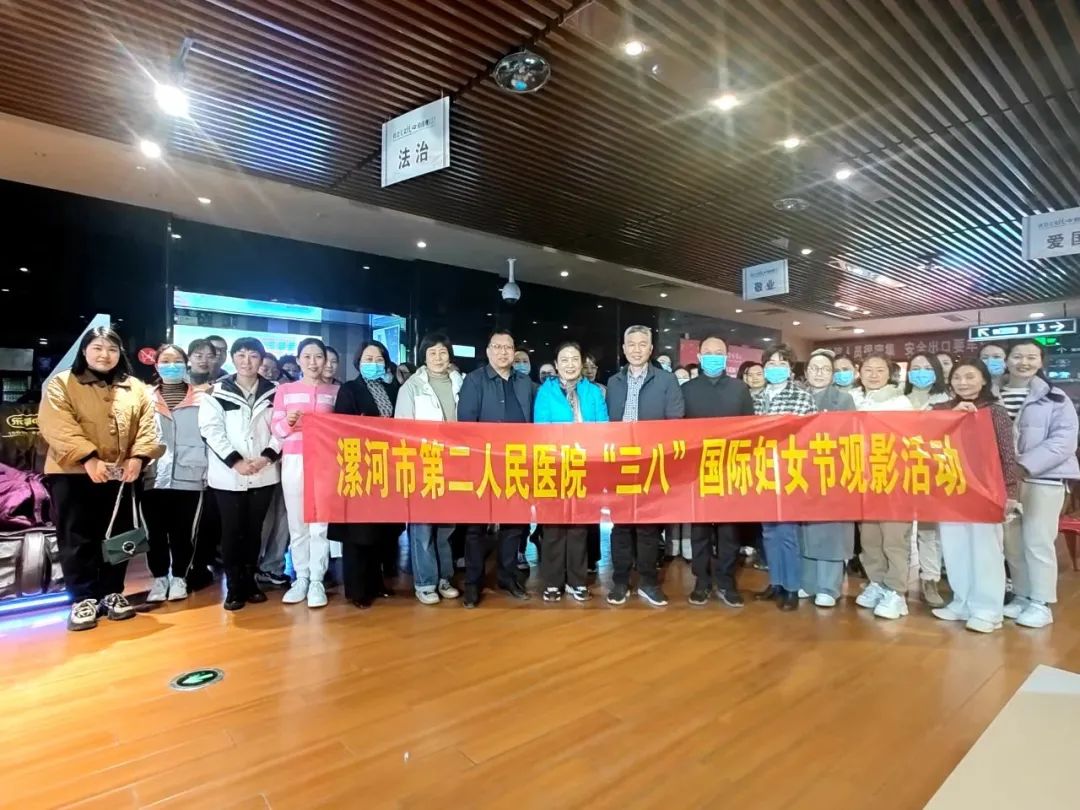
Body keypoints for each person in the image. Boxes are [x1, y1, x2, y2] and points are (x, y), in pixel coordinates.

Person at [39, 327, 163, 631]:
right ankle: (83, 598)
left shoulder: (135, 387)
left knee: (118, 536)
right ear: (84, 351)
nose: (104, 355)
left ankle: (112, 591)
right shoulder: (62, 383)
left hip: (121, 475)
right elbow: (57, 425)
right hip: (73, 473)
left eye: (111, 349)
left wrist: (138, 457)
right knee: (77, 536)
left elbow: (148, 426)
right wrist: (89, 459)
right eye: (97, 348)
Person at [931, 359, 1021, 633]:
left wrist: (1011, 492)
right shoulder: (941, 410)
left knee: (986, 550)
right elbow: (926, 442)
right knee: (955, 549)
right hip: (950, 489)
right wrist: (951, 417)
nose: (963, 382)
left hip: (986, 490)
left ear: (983, 380)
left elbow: (1007, 455)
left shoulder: (995, 412)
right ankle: (962, 601)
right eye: (957, 377)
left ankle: (988, 610)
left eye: (970, 376)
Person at [999, 339, 1080, 629]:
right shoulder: (993, 393)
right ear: (1006, 360)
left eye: (1031, 357)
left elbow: (1064, 440)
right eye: (1017, 356)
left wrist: (1023, 465)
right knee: (1012, 543)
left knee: (1038, 541)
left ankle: (1041, 603)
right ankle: (1022, 595)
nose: (1024, 362)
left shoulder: (1056, 397)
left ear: (1041, 361)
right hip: (1002, 481)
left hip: (1043, 478)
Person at [605, 325, 685, 607]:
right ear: (624, 349)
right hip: (620, 464)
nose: (636, 349)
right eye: (631, 344)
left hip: (652, 463)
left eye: (642, 344)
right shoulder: (614, 382)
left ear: (650, 349)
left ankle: (649, 582)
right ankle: (620, 581)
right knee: (621, 526)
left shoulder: (666, 381)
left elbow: (676, 420)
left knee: (649, 527)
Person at [200, 338, 281, 611]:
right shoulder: (216, 391)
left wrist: (266, 457)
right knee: (232, 531)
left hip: (264, 471)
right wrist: (235, 461)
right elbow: (211, 430)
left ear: (261, 359)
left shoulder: (275, 392)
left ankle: (250, 581)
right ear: (233, 358)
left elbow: (281, 429)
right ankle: (234, 586)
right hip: (228, 475)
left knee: (255, 530)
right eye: (241, 355)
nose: (247, 361)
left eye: (253, 356)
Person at [457, 329, 535, 608]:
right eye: (497, 347)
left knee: (514, 525)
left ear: (514, 352)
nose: (503, 352)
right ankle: (473, 583)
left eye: (508, 347)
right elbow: (466, 425)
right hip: (483, 464)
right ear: (488, 351)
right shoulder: (474, 381)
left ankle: (508, 576)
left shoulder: (525, 383)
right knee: (476, 527)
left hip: (517, 464)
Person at [681, 335, 755, 607]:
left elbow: (750, 430)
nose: (713, 357)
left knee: (728, 531)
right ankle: (701, 581)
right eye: (708, 353)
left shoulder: (740, 389)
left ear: (726, 357)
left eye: (718, 353)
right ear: (700, 357)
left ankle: (726, 581)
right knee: (699, 529)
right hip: (697, 469)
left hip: (730, 468)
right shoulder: (686, 390)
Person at [533, 341, 608, 602]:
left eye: (574, 359)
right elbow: (541, 428)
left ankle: (577, 581)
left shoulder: (594, 392)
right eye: (564, 359)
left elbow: (603, 427)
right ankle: (553, 581)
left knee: (579, 526)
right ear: (556, 365)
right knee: (553, 526)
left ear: (582, 363)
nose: (570, 364)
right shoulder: (545, 392)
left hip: (584, 466)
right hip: (553, 466)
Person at [330, 341, 402, 608]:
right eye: (368, 359)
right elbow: (343, 427)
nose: (374, 363)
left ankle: (376, 582)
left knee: (381, 530)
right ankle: (357, 590)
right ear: (358, 363)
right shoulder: (349, 390)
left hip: (388, 466)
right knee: (359, 532)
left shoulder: (393, 389)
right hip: (359, 466)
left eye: (379, 359)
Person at [394, 333, 462, 605]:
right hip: (424, 464)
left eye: (443, 352)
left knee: (447, 527)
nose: (438, 357)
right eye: (432, 353)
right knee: (422, 528)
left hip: (455, 464)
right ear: (424, 356)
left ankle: (445, 577)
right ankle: (425, 582)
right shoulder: (411, 387)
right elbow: (402, 429)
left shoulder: (461, 382)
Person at [272, 338, 339, 609]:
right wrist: (288, 423)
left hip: (325, 462)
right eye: (307, 356)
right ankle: (300, 577)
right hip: (295, 459)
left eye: (318, 356)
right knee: (297, 523)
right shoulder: (285, 390)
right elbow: (276, 429)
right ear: (298, 360)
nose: (313, 362)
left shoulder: (335, 392)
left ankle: (317, 581)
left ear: (325, 360)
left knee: (320, 524)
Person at [752, 345, 817, 611]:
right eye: (770, 363)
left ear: (790, 369)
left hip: (790, 470)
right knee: (768, 531)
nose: (775, 368)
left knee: (787, 532)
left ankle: (791, 587)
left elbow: (807, 435)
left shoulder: (802, 396)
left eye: (781, 364)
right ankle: (775, 582)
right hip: (762, 470)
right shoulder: (756, 397)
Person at [851, 352, 914, 619]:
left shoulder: (901, 402)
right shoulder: (853, 400)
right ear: (860, 372)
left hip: (893, 479)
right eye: (868, 369)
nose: (874, 375)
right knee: (870, 538)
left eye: (880, 370)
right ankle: (877, 582)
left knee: (894, 538)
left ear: (890, 374)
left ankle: (897, 592)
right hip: (862, 478)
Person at [143, 344, 206, 604]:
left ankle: (180, 576)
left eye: (177, 360)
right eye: (166, 361)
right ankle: (159, 578)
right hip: (152, 474)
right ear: (156, 365)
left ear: (186, 363)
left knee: (184, 531)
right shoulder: (144, 397)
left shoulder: (202, 398)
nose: (172, 365)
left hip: (190, 473)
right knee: (154, 532)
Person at [799, 350, 855, 607]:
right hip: (801, 471)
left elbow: (848, 435)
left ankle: (829, 587)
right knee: (806, 530)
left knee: (831, 531)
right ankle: (808, 582)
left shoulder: (843, 399)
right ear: (806, 372)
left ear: (833, 374)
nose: (819, 373)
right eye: (814, 368)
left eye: (825, 369)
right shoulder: (799, 397)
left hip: (833, 471)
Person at [904, 352, 951, 607]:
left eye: (926, 368)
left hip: (933, 473)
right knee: (898, 530)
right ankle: (896, 578)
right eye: (916, 368)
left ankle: (930, 579)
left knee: (929, 530)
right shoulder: (898, 400)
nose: (920, 372)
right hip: (898, 471)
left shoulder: (947, 402)